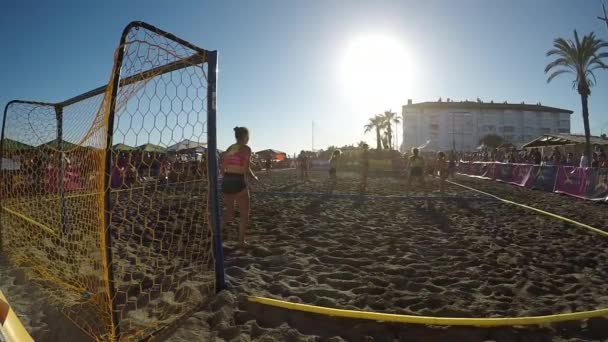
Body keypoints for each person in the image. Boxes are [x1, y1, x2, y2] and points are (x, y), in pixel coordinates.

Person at [221, 126, 258, 248]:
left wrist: (226, 177)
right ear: (246, 138)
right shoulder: (246, 149)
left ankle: (215, 233)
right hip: (238, 181)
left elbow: (223, 168)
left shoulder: (230, 148)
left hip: (227, 180)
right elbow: (246, 169)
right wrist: (253, 177)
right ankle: (241, 241)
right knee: (244, 213)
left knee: (229, 213)